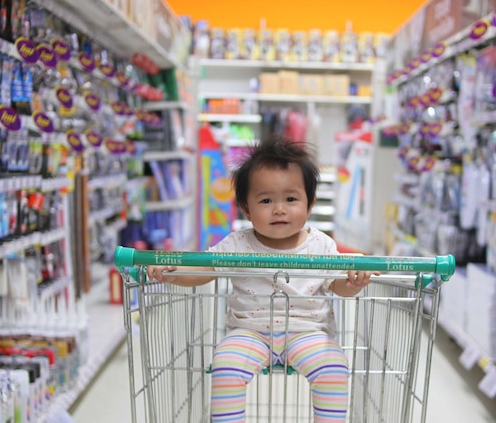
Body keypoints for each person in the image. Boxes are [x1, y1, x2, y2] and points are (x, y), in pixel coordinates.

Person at [147, 135, 378, 423]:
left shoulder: (322, 246)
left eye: (291, 199)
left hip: (308, 332)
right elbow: (203, 271)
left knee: (333, 368)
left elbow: (338, 287)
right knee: (225, 366)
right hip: (249, 332)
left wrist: (353, 284)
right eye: (266, 200)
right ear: (246, 208)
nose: (279, 209)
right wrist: (174, 274)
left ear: (310, 204)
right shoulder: (237, 243)